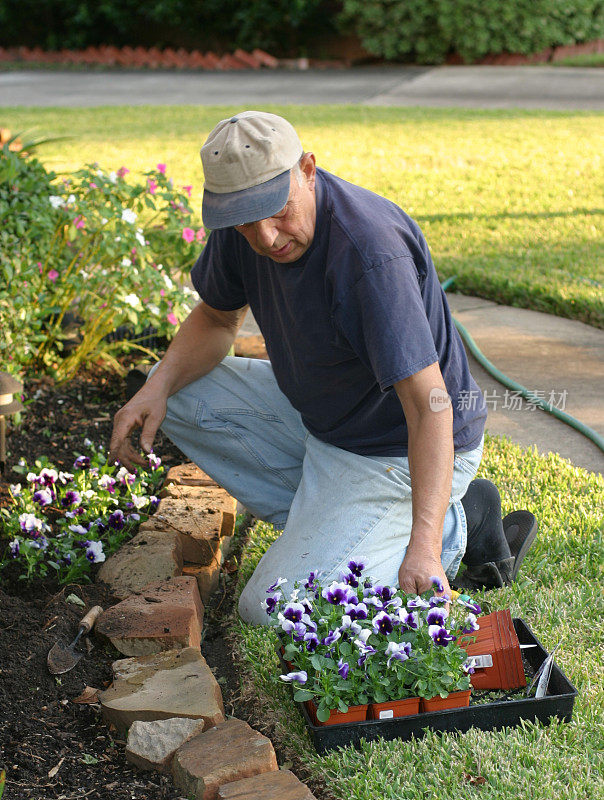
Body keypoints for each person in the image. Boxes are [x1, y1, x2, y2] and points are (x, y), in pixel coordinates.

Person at [109, 111, 537, 625]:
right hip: (323, 425)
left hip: (396, 448)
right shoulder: (242, 223)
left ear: (308, 169)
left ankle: (445, 524)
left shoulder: (368, 254)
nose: (266, 237)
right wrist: (154, 389)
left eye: (278, 210)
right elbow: (218, 318)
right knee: (174, 388)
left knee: (271, 610)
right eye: (246, 222)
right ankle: (358, 521)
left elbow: (431, 407)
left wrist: (422, 550)